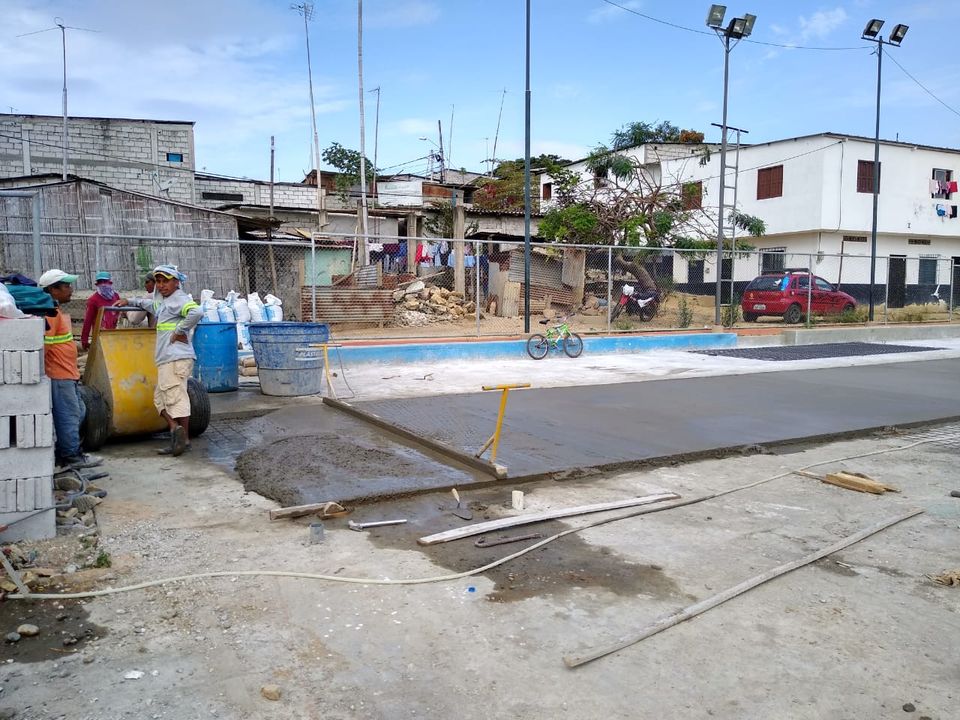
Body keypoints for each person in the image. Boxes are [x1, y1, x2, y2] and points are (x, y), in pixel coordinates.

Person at [128, 265, 202, 457]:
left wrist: (179, 331)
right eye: (158, 281)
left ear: (176, 282)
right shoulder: (163, 302)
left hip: (175, 358)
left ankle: (183, 439)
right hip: (166, 358)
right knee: (160, 400)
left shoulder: (179, 299)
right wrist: (129, 301)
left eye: (165, 281)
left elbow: (196, 312)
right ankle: (175, 429)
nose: (161, 285)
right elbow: (149, 305)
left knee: (176, 398)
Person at [37, 269, 102, 469]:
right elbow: (45, 348)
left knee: (78, 411)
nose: (71, 290)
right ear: (52, 290)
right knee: (69, 416)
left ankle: (64, 451)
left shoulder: (54, 311)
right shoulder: (49, 314)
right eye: (66, 286)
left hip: (67, 374)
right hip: (59, 376)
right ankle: (71, 456)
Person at [81, 271, 122, 350]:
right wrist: (84, 340)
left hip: (114, 333)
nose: (103, 284)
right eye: (100, 282)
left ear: (110, 282)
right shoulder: (93, 300)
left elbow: (118, 314)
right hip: (100, 335)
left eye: (105, 281)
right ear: (97, 284)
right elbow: (88, 321)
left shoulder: (116, 296)